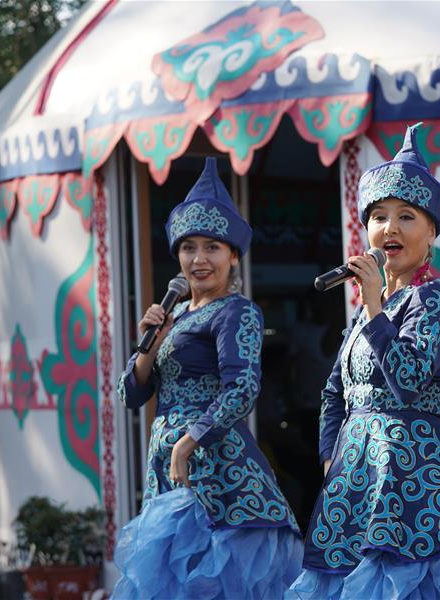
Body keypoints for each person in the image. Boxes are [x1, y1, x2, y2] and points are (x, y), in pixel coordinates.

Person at [288, 124, 440, 599]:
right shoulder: (371, 310)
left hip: (413, 475)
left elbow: (409, 379)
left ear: (431, 232)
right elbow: (334, 392)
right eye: (379, 217)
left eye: (406, 217)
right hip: (355, 477)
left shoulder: (433, 298)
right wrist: (332, 456)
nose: (390, 228)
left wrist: (372, 305)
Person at [113, 157, 302, 599]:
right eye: (189, 247)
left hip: (222, 474)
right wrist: (153, 341)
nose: (199, 259)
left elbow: (243, 388)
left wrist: (190, 440)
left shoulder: (237, 311)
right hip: (169, 471)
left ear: (233, 256)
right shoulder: (173, 314)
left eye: (212, 248)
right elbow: (130, 394)